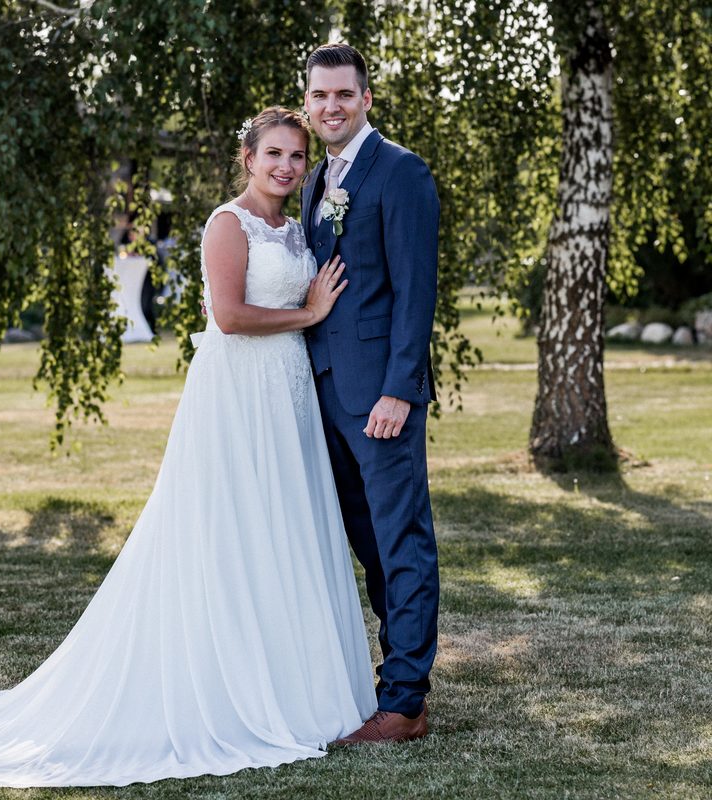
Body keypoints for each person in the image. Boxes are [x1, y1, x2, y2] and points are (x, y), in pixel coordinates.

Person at [0, 106, 376, 787]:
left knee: (288, 525)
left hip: (289, 393)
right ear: (248, 158)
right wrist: (308, 312)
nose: (286, 166)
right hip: (239, 393)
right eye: (274, 153)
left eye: (297, 156)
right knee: (234, 530)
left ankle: (298, 683)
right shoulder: (228, 223)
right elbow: (228, 315)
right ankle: (233, 687)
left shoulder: (297, 226)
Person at [302, 43, 440, 744]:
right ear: (308, 103)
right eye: (320, 95)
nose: (332, 107)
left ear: (366, 99)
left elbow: (416, 293)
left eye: (343, 95)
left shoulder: (400, 171)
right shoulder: (314, 180)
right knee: (368, 546)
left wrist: (400, 391)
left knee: (401, 540)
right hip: (325, 395)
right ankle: (394, 677)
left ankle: (405, 702)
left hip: (381, 400)